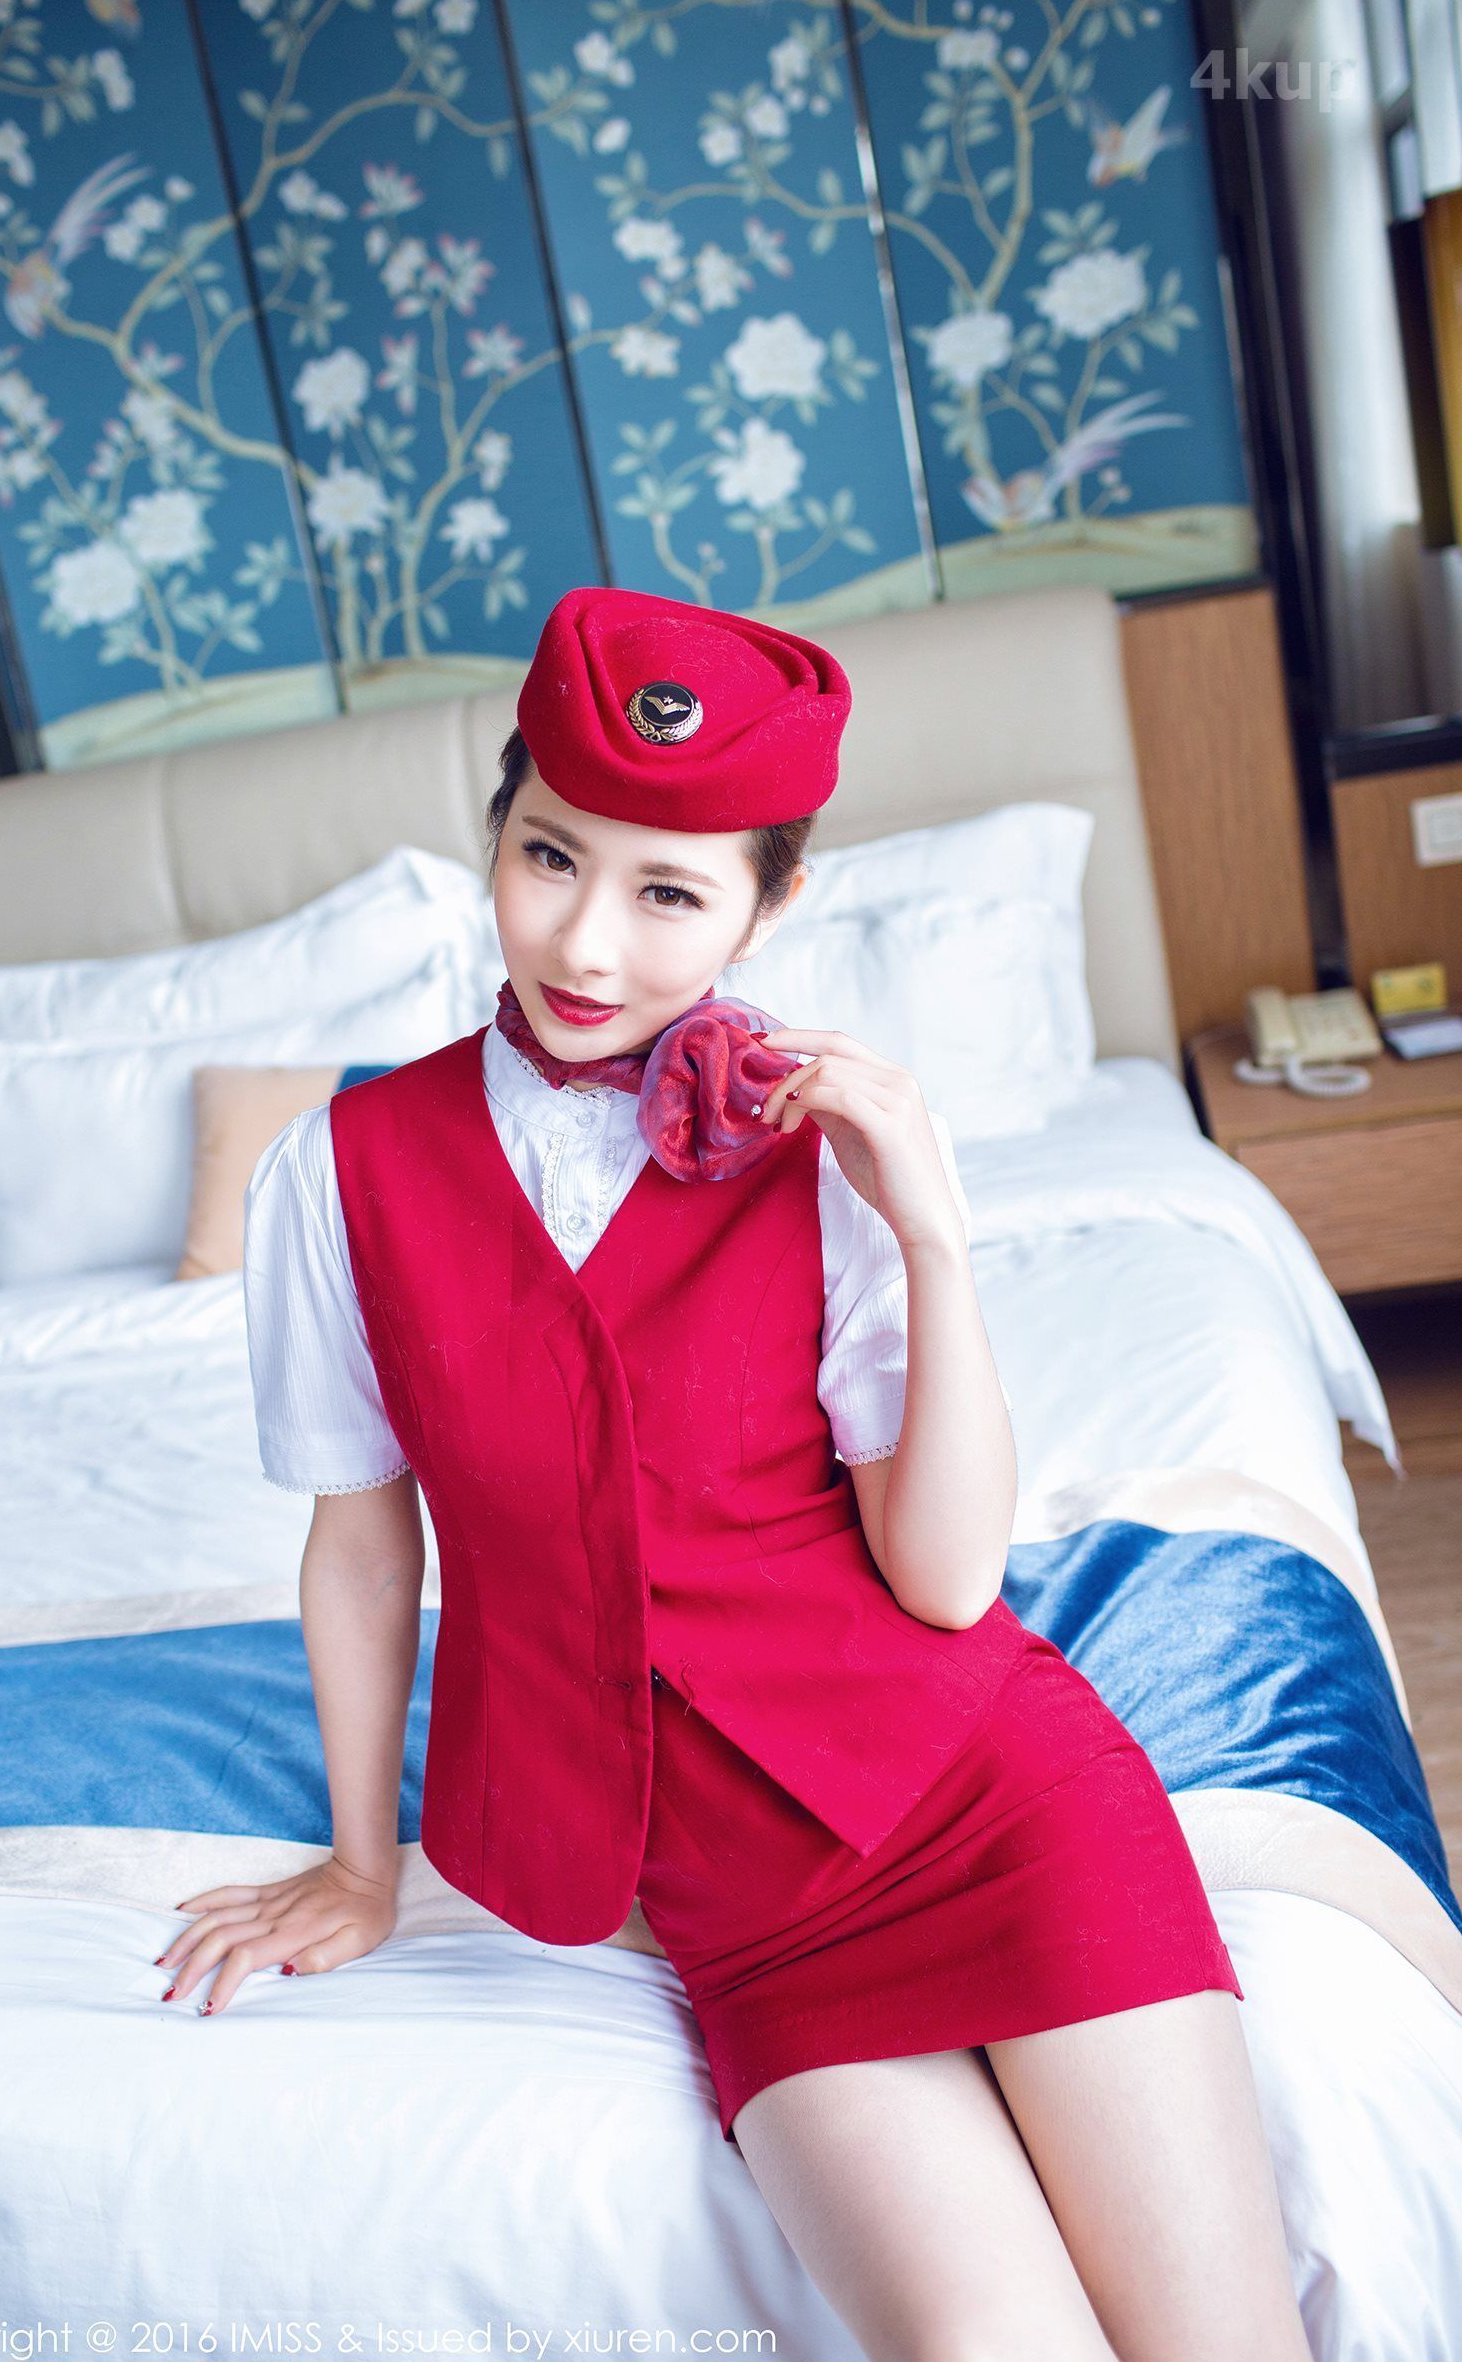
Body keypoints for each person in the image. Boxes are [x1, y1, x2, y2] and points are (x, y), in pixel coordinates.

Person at [160, 588, 1313, 2360]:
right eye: (549, 857)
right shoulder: (338, 1169)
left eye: (670, 894)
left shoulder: (819, 1148)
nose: (586, 943)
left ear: (771, 908)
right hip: (752, 1919)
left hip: (996, 1807)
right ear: (496, 832)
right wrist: (365, 1864)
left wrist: (931, 1231)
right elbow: (367, 1548)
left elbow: (946, 1582)